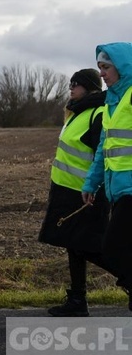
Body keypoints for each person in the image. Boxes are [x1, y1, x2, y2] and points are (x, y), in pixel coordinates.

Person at [38, 68, 114, 316]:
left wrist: (94, 188)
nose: (71, 87)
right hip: (67, 191)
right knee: (74, 245)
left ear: (91, 87)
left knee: (88, 246)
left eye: (77, 84)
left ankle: (127, 277)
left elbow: (102, 158)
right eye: (71, 83)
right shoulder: (76, 112)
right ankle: (77, 300)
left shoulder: (98, 114)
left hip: (86, 195)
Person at [82, 43, 132, 311]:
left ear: (122, 66)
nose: (102, 73)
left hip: (130, 190)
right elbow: (103, 147)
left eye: (106, 67)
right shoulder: (112, 102)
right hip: (118, 188)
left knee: (112, 248)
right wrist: (92, 182)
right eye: (100, 67)